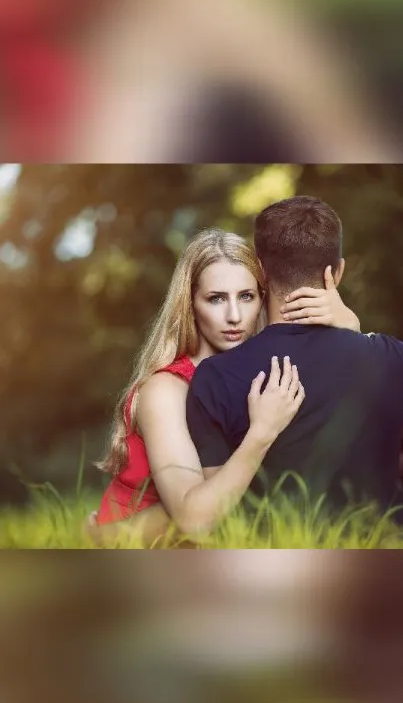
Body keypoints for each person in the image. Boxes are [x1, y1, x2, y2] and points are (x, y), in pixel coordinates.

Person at [88, 227, 360, 546]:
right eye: (216, 298)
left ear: (263, 297)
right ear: (191, 304)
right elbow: (192, 520)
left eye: (246, 296)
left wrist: (350, 329)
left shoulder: (264, 371)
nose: (234, 316)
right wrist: (262, 432)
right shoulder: (165, 390)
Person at [186, 197, 403, 521]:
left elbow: (215, 517)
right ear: (338, 271)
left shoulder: (214, 377)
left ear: (260, 271)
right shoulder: (394, 359)